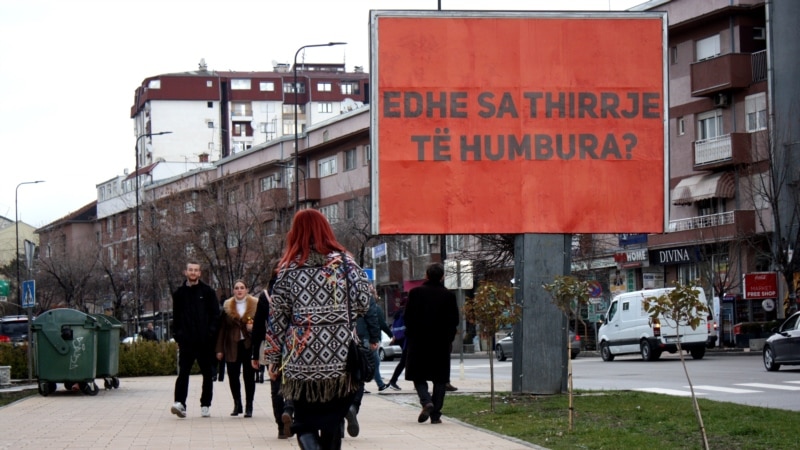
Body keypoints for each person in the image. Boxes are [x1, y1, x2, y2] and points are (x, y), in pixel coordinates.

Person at [266, 209, 371, 450]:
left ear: (296, 233)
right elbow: (365, 303)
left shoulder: (288, 269)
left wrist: (272, 358)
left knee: (304, 422)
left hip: (300, 359)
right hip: (340, 358)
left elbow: (277, 318)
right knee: (333, 421)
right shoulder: (346, 263)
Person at [404, 262, 459, 425]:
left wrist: (411, 334)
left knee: (418, 375)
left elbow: (408, 317)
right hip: (441, 344)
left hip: (419, 342)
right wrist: (449, 339)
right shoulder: (448, 295)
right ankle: (435, 415)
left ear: (426, 276)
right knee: (440, 379)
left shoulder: (415, 293)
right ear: (442, 277)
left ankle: (426, 401)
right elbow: (454, 320)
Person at [170, 261, 221, 419]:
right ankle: (180, 403)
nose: (193, 273)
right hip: (186, 342)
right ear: (185, 272)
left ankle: (205, 404)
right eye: (190, 270)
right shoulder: (179, 294)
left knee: (207, 373)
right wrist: (178, 335)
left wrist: (210, 333)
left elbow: (215, 315)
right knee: (183, 372)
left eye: (196, 270)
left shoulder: (208, 292)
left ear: (200, 273)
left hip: (204, 342)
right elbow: (176, 317)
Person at [251, 271, 293, 439]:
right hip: (294, 344)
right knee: (292, 381)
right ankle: (289, 409)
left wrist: (255, 354)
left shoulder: (265, 295)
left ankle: (281, 427)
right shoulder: (295, 289)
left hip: (272, 342)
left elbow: (258, 327)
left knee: (275, 383)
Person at [216, 279, 258, 418]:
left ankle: (249, 406)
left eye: (242, 287)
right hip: (232, 344)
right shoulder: (227, 307)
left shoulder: (254, 305)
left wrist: (253, 328)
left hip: (248, 345)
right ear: (233, 291)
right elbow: (222, 329)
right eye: (236, 288)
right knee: (233, 376)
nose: (239, 290)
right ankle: (237, 404)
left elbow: (262, 326)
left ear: (246, 290)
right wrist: (219, 349)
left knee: (249, 376)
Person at [344, 294, 380, 438]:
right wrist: (374, 337)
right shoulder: (362, 287)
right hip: (360, 337)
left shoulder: (331, 280)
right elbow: (371, 314)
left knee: (338, 378)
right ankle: (353, 407)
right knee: (358, 377)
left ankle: (337, 424)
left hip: (335, 338)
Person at [386, 306, 406, 390]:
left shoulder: (399, 312)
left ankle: (393, 381)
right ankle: (393, 381)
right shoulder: (406, 312)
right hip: (406, 339)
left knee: (405, 361)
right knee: (404, 361)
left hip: (400, 338)